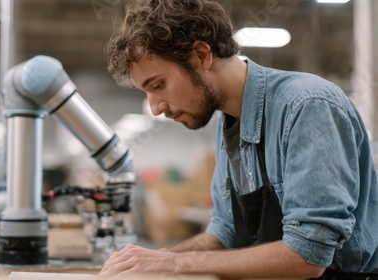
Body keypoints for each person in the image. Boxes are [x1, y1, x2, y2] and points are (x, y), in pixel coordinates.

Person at [97, 0, 378, 279]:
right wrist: (153, 259)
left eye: (158, 85)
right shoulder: (230, 123)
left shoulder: (306, 106)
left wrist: (174, 265)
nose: (156, 107)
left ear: (201, 55)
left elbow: (308, 255)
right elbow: (224, 234)